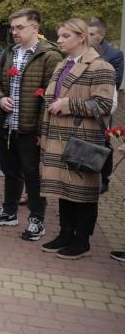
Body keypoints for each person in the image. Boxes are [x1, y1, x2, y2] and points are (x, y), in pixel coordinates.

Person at [0, 8, 61, 241]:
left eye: (20, 27)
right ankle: (9, 212)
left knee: (33, 174)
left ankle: (37, 220)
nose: (14, 32)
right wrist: (0, 97)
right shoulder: (10, 52)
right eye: (12, 27)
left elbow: (51, 96)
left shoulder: (49, 55)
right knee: (10, 170)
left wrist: (41, 131)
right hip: (8, 125)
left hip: (30, 128)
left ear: (35, 28)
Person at [39, 18, 115, 259]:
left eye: (64, 36)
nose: (59, 40)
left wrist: (69, 104)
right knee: (64, 188)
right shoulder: (63, 65)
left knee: (82, 190)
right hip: (58, 135)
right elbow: (51, 100)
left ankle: (81, 240)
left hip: (82, 138)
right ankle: (65, 233)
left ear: (81, 37)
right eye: (59, 35)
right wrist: (43, 133)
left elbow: (104, 104)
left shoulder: (101, 67)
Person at [88, 18, 123, 194]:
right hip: (85, 111)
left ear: (101, 35)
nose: (89, 36)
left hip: (103, 106)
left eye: (92, 34)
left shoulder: (114, 54)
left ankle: (104, 178)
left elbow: (115, 83)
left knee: (104, 143)